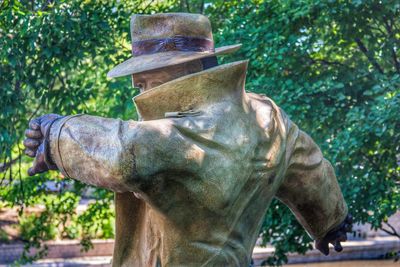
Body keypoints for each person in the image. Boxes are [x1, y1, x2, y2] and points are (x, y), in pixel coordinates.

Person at [23, 13, 352, 267]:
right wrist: (329, 221)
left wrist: (54, 133)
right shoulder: (267, 116)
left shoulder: (188, 132)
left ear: (189, 69)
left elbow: (125, 153)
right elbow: (310, 169)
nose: (137, 80)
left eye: (149, 72)